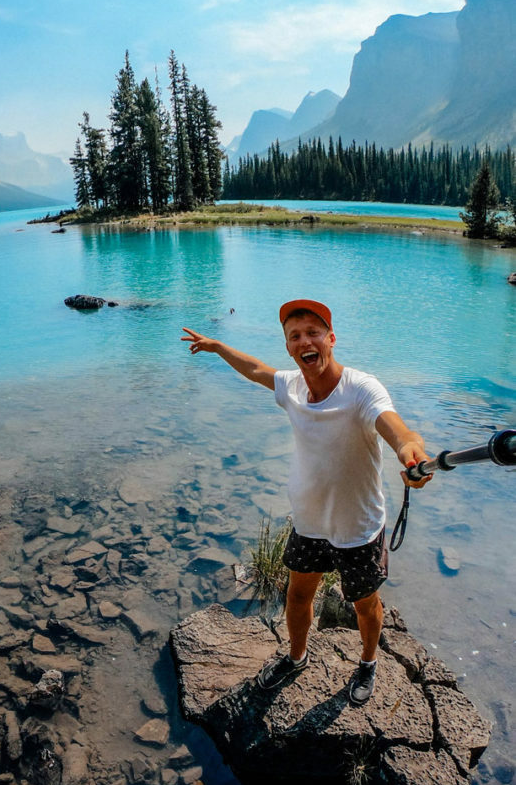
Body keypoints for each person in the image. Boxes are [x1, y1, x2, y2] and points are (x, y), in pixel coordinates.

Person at [181, 299, 431, 705]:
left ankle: (368, 662)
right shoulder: (293, 388)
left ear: (331, 339)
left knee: (364, 605)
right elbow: (257, 370)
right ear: (289, 347)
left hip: (358, 527)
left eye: (313, 332)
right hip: (309, 523)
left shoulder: (361, 389)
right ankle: (296, 656)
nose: (304, 341)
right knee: (298, 596)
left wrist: (412, 454)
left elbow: (399, 430)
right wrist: (217, 347)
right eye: (294, 336)